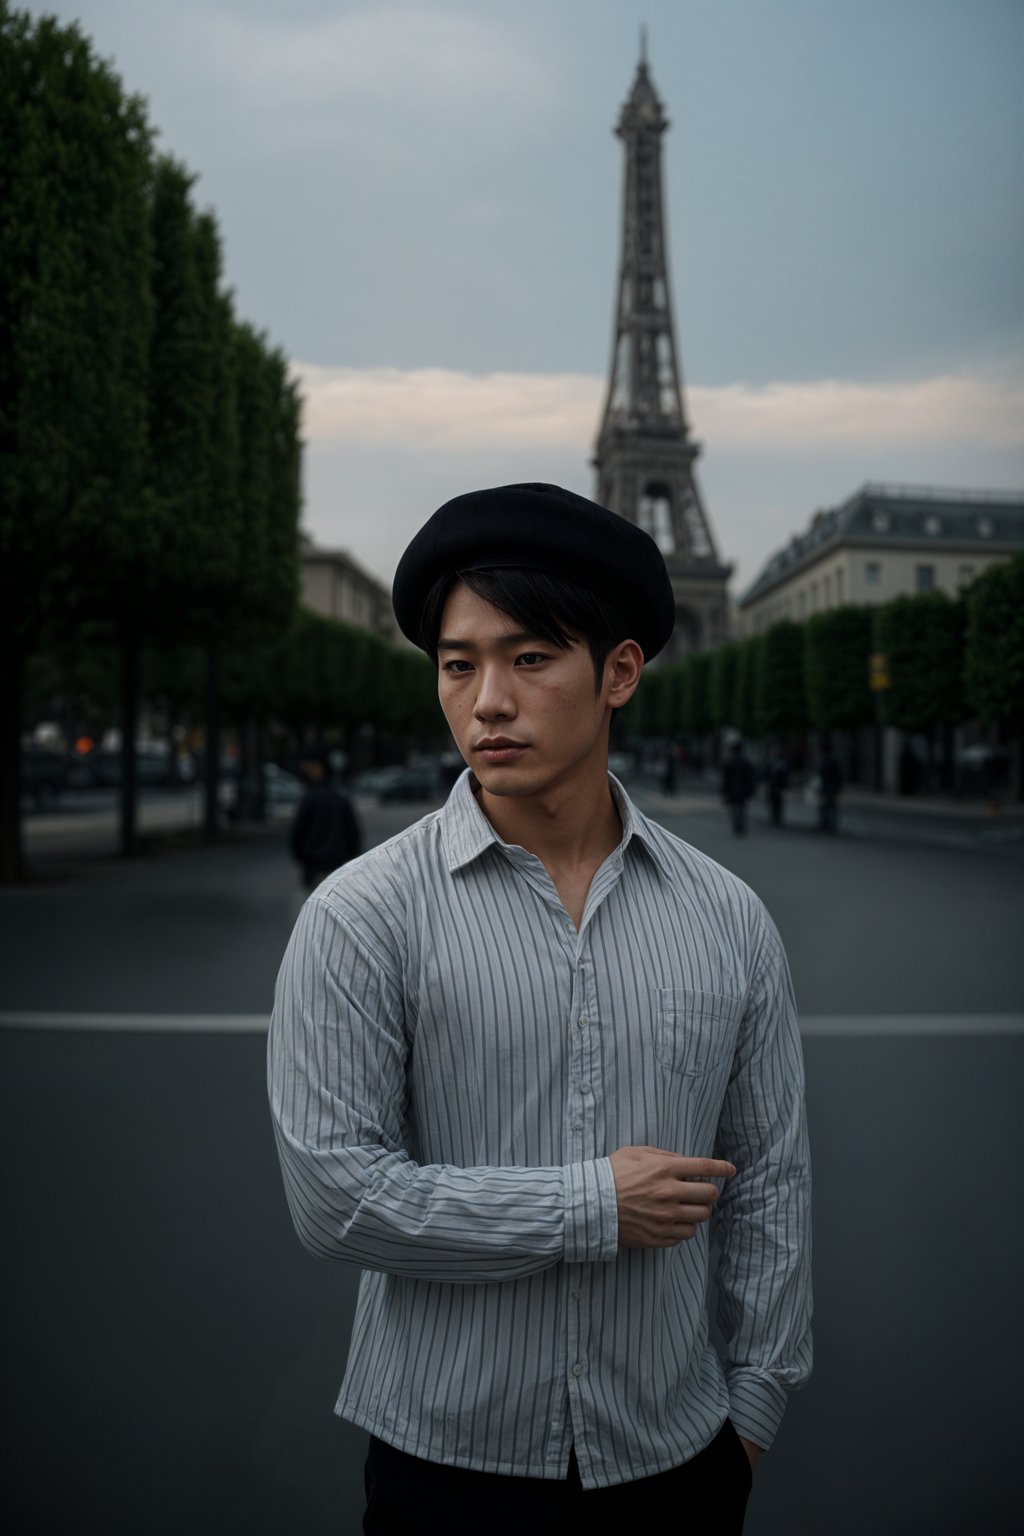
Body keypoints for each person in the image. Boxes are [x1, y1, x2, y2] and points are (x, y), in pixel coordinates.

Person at [268, 484, 811, 1534]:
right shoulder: (359, 914)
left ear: (618, 672)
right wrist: (591, 1207)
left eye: (528, 658)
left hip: (681, 1458)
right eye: (457, 663)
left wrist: (753, 1406)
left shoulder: (729, 918)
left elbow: (770, 1183)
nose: (486, 700)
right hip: (444, 1467)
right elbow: (335, 1197)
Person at [289, 749, 362, 890]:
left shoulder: (310, 799)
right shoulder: (340, 798)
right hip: (340, 867)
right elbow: (354, 836)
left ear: (319, 767)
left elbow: (297, 836)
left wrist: (305, 859)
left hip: (316, 867)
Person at [720, 740, 756, 836]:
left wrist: (724, 791)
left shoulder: (729, 763)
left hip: (732, 790)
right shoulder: (746, 762)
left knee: (735, 809)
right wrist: (751, 790)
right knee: (742, 808)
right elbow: (751, 778)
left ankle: (737, 825)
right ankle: (741, 825)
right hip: (743, 790)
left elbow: (726, 779)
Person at [816, 740, 843, 834]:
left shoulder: (826, 761)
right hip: (831, 787)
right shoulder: (832, 760)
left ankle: (826, 824)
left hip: (828, 787)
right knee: (830, 806)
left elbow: (823, 775)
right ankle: (829, 824)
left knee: (826, 806)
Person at [765, 746, 789, 828]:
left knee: (779, 801)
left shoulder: (782, 763)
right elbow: (766, 773)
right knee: (772, 801)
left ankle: (778, 816)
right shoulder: (770, 762)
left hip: (779, 785)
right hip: (772, 785)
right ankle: (773, 816)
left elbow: (785, 775)